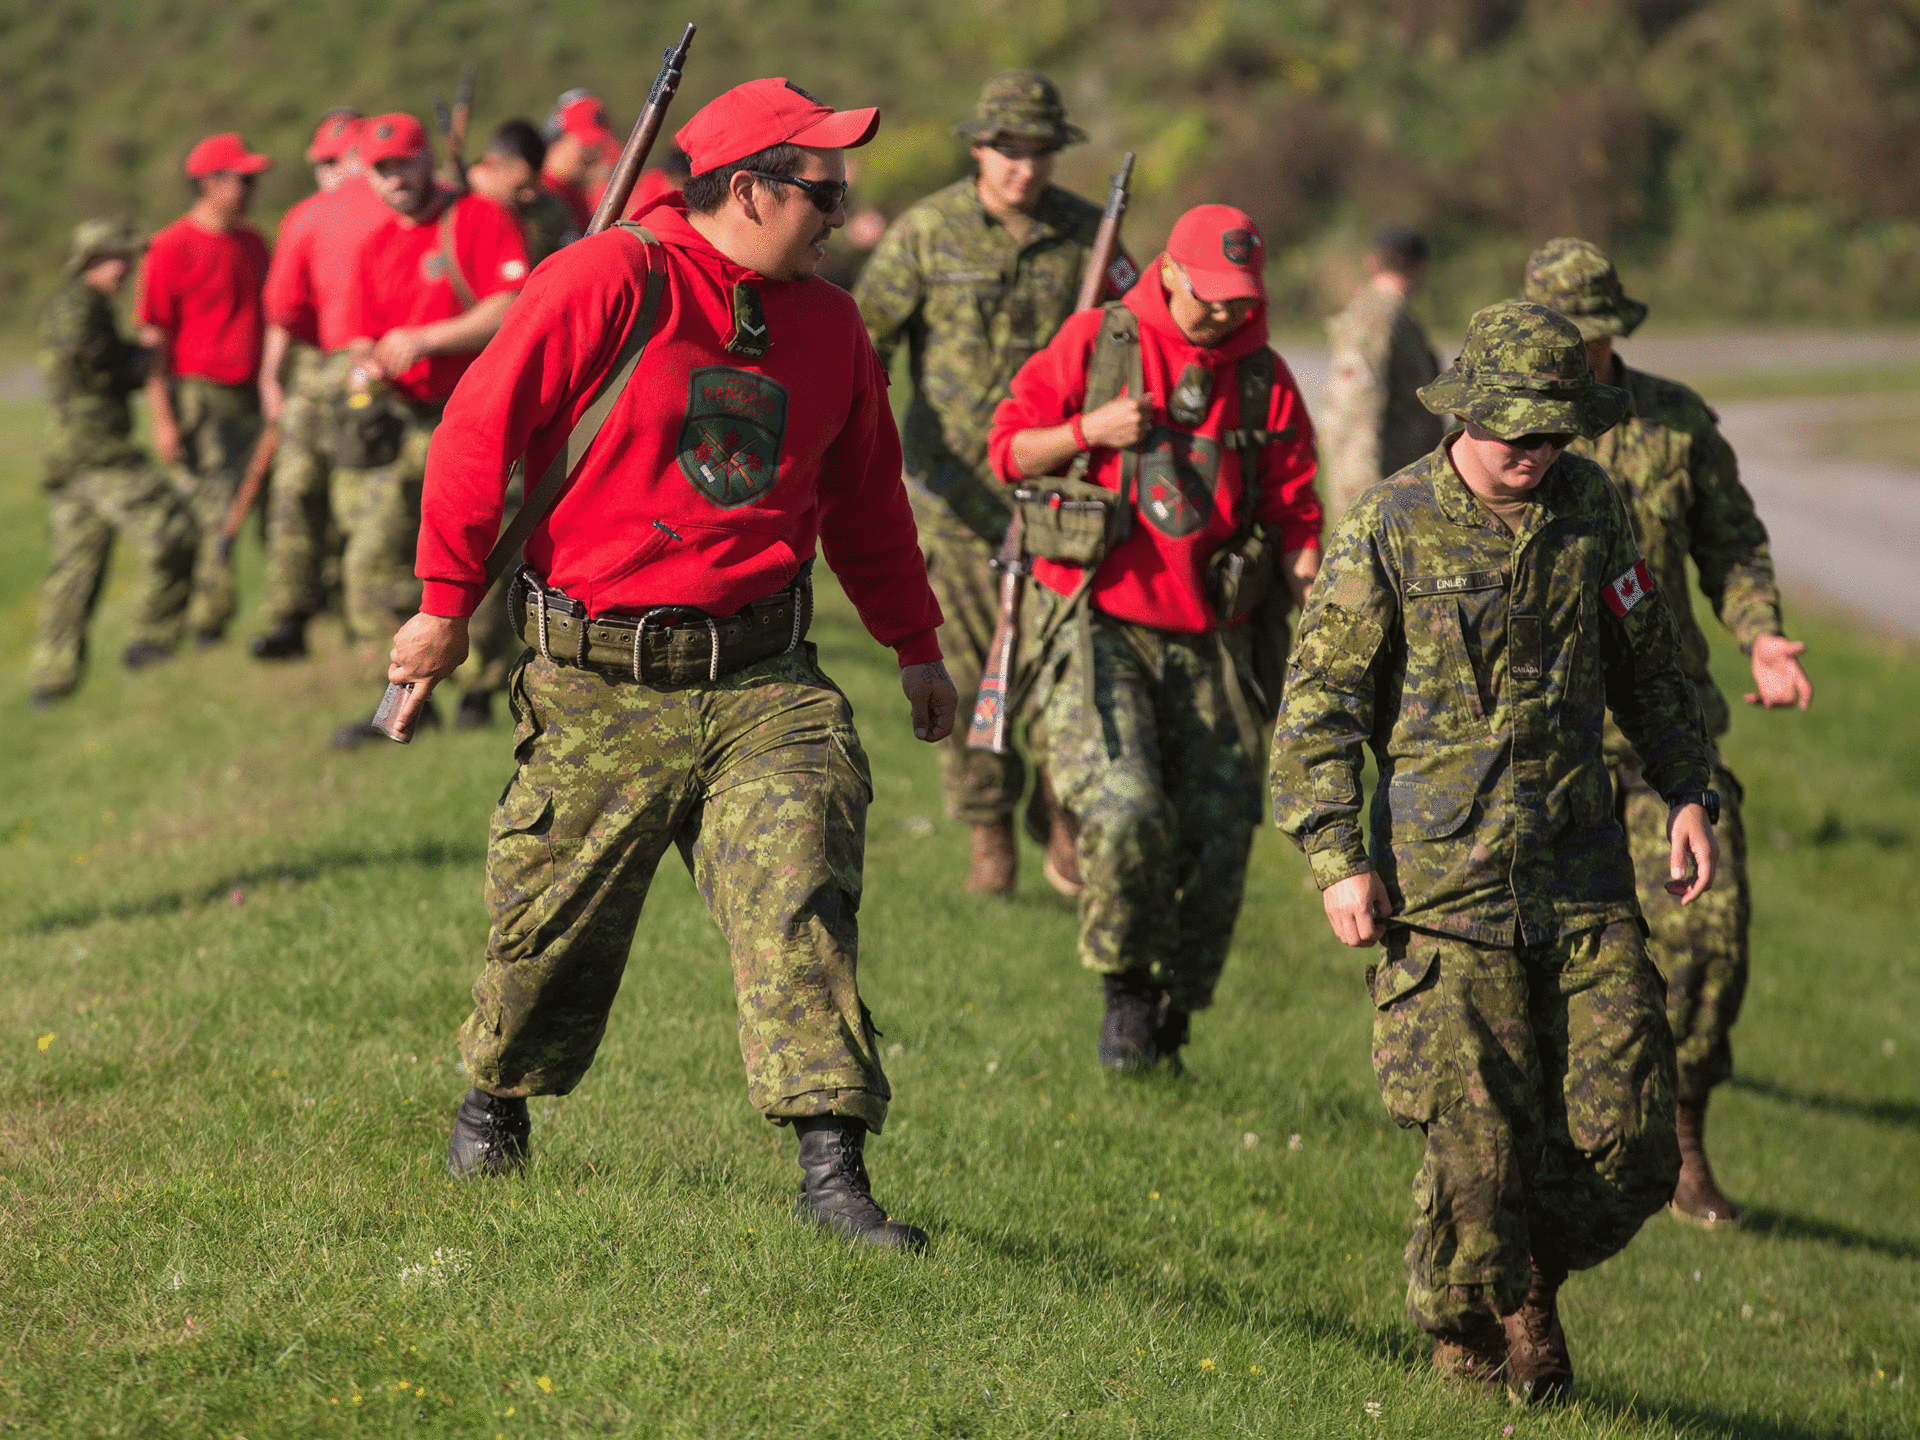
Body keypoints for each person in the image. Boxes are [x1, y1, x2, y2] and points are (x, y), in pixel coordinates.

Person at [384, 78, 956, 1252]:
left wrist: (916, 646)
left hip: (763, 677)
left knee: (800, 892)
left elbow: (865, 506)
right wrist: (444, 605)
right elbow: (476, 432)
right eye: (824, 191)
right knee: (551, 930)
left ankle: (832, 1171)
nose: (844, 213)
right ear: (747, 189)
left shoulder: (834, 328)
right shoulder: (608, 279)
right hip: (598, 675)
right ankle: (495, 1105)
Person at [1271, 301, 1721, 1404]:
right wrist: (1337, 854)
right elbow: (1318, 708)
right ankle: (1505, 1319)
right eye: (1517, 431)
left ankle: (1481, 1282)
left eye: (1556, 434)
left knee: (1634, 1149)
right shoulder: (1388, 527)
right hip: (1440, 891)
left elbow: (1651, 664)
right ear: (1466, 410)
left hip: (1580, 880)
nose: (1535, 454)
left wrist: (1689, 792)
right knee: (1479, 1143)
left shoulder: (1593, 511)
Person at [1521, 237, 1814, 1229]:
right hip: (1532, 737)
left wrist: (1762, 636)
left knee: (1708, 940)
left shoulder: (1674, 423)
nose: (1579, 349)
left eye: (1590, 334)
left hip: (1661, 736)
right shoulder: (1503, 425)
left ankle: (1683, 1141)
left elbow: (1733, 545)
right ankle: (1536, 1149)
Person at [988, 204, 1321, 1072]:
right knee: (1128, 811)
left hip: (1216, 636)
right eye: (1210, 295)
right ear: (1167, 272)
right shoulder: (1100, 341)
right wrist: (1088, 433)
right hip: (1096, 618)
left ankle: (1179, 1010)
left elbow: (1296, 503)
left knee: (1221, 834)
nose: (1225, 313)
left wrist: (1312, 570)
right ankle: (1126, 988)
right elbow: (1009, 453)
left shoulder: (1265, 377)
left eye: (1239, 298)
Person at [856, 70, 1138, 897]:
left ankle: (1060, 812)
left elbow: (1140, 336)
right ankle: (989, 836)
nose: (1025, 168)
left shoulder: (1091, 236)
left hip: (1066, 499)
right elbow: (862, 340)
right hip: (954, 500)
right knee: (976, 675)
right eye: (1009, 151)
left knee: (1065, 670)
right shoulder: (926, 232)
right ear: (979, 147)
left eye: (1040, 152)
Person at [328, 113, 529, 747]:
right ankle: (400, 693)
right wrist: (368, 362)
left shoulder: (479, 219)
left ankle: (482, 690)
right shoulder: (375, 246)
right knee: (368, 564)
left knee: (485, 562)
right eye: (382, 171)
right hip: (410, 426)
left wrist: (425, 339)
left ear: (428, 164)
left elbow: (512, 306)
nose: (395, 181)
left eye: (404, 166)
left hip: (482, 416)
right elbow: (359, 331)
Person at [30, 220, 196, 705]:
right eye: (117, 258)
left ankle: (52, 682)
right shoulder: (77, 308)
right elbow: (88, 362)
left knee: (74, 568)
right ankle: (150, 641)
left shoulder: (85, 306)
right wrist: (141, 359)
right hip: (96, 453)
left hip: (72, 454)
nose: (126, 269)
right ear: (91, 261)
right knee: (172, 529)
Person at [251, 110, 393, 661]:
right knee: (364, 497)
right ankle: (361, 613)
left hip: (329, 362)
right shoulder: (414, 206)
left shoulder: (308, 215)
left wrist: (271, 376)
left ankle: (294, 614)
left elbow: (283, 310)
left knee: (299, 491)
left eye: (328, 162)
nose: (325, 174)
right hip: (389, 364)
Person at [135, 131, 272, 645]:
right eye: (243, 179)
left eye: (254, 179)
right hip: (199, 393)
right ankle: (203, 623)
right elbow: (155, 339)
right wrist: (164, 419)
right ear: (208, 183)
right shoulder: (171, 247)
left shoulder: (254, 242)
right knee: (211, 506)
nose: (252, 187)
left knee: (265, 502)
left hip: (254, 395)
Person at [1318, 225, 1445, 524]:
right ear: (1421, 267)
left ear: (1372, 262)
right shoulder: (1376, 318)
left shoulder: (1394, 317)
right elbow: (1356, 415)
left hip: (1400, 486)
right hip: (1381, 493)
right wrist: (1365, 506)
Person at [467, 119, 578, 267]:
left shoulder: (550, 210)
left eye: (535, 183)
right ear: (490, 166)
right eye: (520, 186)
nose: (531, 195)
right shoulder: (456, 206)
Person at [540, 89, 619, 234]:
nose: (595, 154)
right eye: (586, 145)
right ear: (556, 141)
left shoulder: (574, 197)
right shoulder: (538, 196)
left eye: (597, 146)